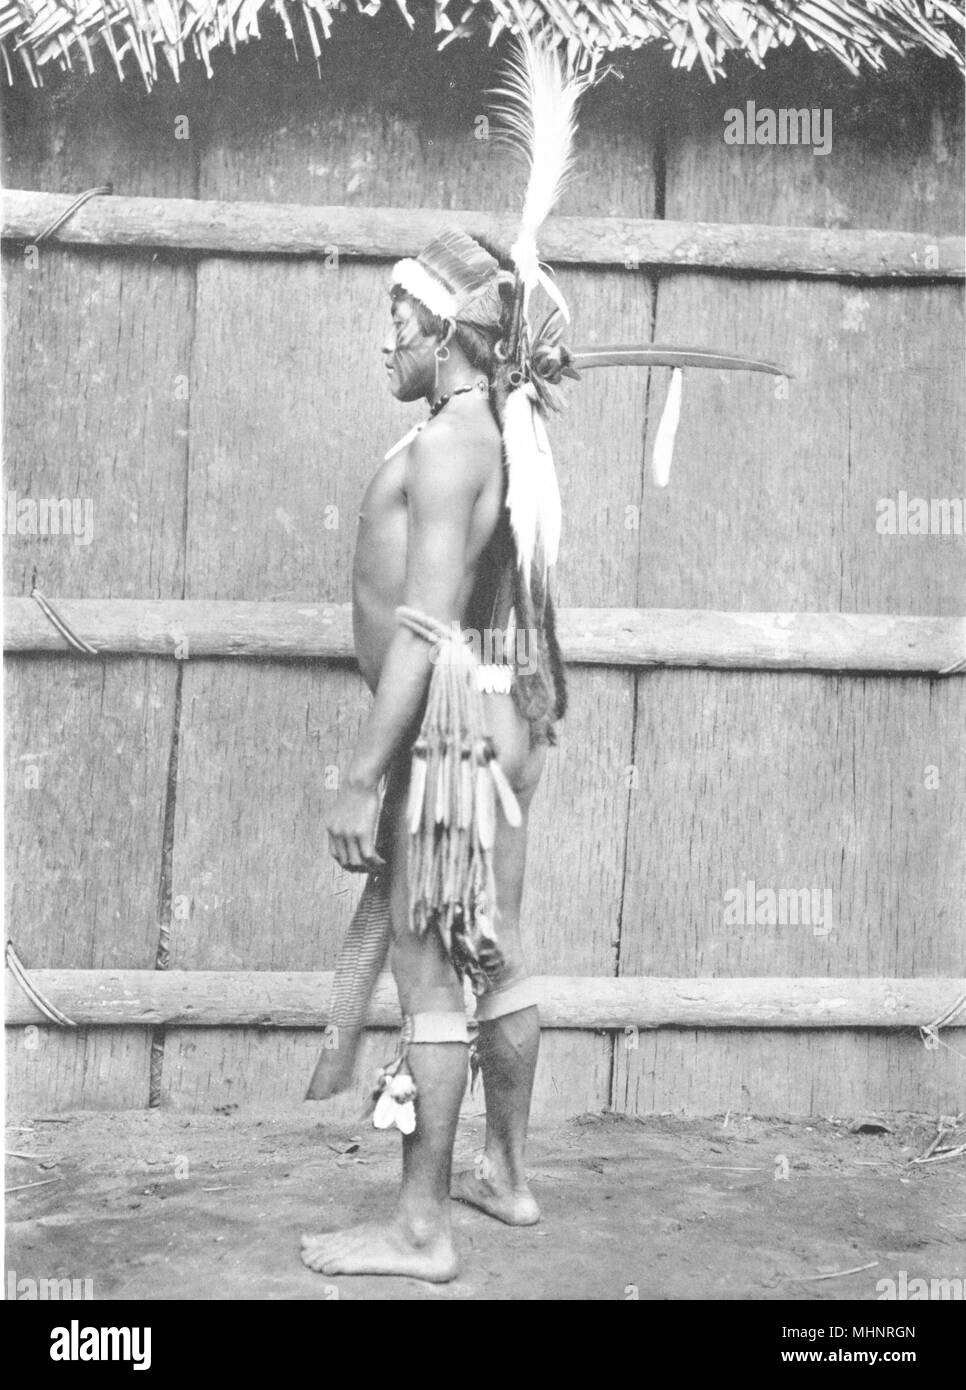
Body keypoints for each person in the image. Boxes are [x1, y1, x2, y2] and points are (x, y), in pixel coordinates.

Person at [301, 228, 564, 1281]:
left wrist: (362, 778)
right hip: (498, 712)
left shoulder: (455, 445)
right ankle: (505, 1174)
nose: (386, 341)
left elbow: (422, 623)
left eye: (399, 322)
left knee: (428, 972)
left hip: (452, 729)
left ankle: (420, 1230)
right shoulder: (489, 430)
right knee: (492, 945)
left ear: (446, 334)